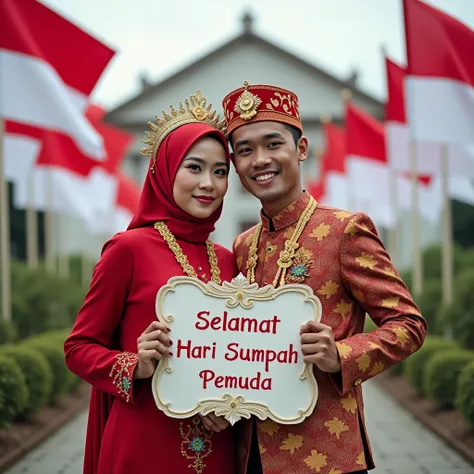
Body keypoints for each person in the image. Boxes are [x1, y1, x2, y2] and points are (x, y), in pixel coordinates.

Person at [221, 82, 427, 474]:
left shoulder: (345, 230)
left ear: (301, 149)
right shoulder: (243, 245)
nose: (259, 159)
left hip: (326, 454)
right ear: (235, 164)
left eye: (273, 144)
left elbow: (409, 324)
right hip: (249, 453)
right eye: (245, 150)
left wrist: (341, 355)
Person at [64, 91, 237, 474]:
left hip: (218, 448)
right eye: (194, 167)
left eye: (220, 171)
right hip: (143, 445)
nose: (208, 183)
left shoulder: (228, 260)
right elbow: (78, 348)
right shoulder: (128, 249)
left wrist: (234, 405)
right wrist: (134, 364)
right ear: (164, 170)